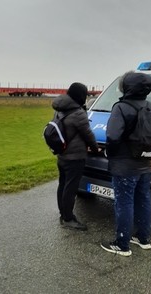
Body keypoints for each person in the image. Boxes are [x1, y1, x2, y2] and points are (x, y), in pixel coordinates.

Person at [101, 71, 151, 256]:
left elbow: (112, 137)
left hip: (124, 167)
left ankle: (122, 244)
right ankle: (143, 238)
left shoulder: (121, 108)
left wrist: (111, 153)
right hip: (146, 166)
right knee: (143, 200)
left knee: (124, 203)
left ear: (126, 87)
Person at [52, 82, 99, 231]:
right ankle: (68, 219)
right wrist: (96, 149)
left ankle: (63, 213)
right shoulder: (78, 113)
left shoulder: (60, 108)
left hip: (62, 155)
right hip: (75, 157)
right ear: (81, 95)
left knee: (63, 184)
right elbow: (88, 135)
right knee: (71, 188)